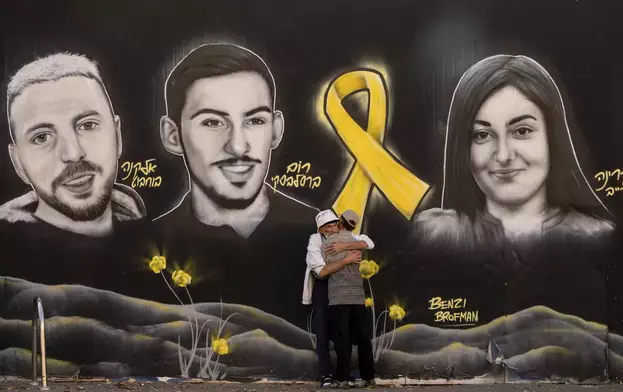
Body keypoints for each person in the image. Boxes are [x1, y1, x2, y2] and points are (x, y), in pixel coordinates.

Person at [406, 54, 614, 324]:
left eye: (522, 131)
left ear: (553, 137)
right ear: (462, 150)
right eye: (482, 135)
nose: (503, 155)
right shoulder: (431, 236)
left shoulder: (599, 239)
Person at [152, 43, 318, 323]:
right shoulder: (149, 249)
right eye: (213, 123)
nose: (238, 147)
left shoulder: (324, 235)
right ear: (173, 135)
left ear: (276, 130)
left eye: (255, 120)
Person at [0, 52, 149, 291]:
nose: (72, 153)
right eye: (42, 137)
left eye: (87, 125)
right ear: (19, 164)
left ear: (118, 136)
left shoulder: (159, 241)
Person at [302, 209, 375, 387]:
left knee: (344, 334)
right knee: (323, 331)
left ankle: (345, 376)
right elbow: (321, 271)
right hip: (323, 286)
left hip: (343, 289)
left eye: (335, 223)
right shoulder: (315, 241)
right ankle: (327, 375)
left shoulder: (346, 238)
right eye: (328, 226)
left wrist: (344, 247)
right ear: (321, 230)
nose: (333, 228)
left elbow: (368, 243)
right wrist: (347, 259)